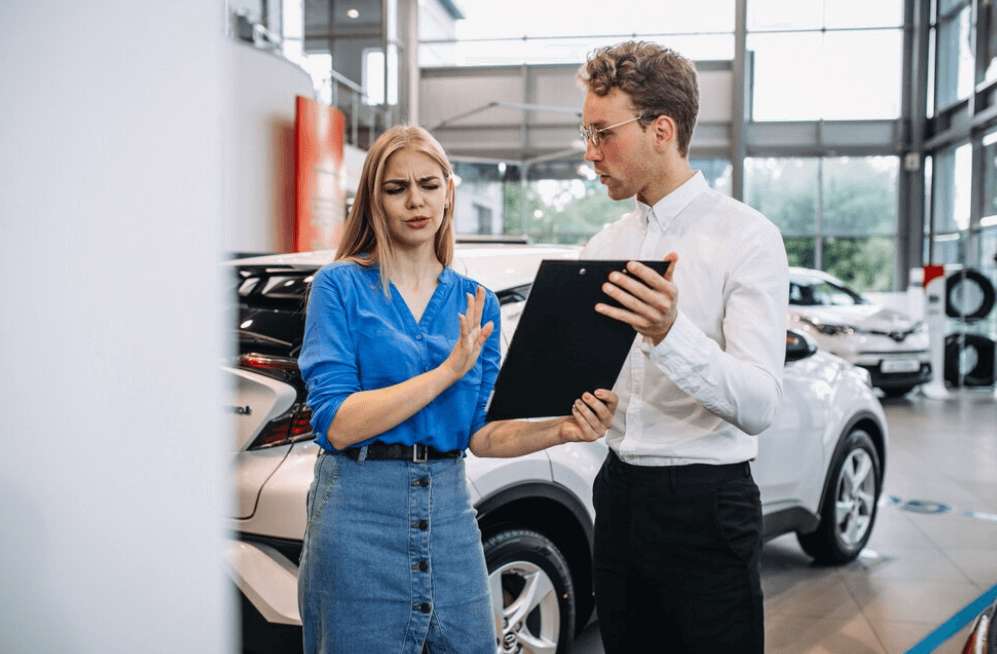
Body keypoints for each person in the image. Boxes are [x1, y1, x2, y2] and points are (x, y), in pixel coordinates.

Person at [295, 124, 618, 654]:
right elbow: (337, 420)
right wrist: (447, 371)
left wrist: (561, 429)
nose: (415, 201)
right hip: (357, 517)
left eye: (428, 184)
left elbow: (480, 434)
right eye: (396, 188)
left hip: (448, 513)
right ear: (374, 199)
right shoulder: (340, 286)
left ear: (449, 190)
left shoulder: (476, 300)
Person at [576, 41, 790, 653]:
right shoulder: (602, 245)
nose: (590, 153)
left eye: (602, 134)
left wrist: (671, 334)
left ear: (661, 129)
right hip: (616, 496)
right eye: (585, 133)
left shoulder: (747, 238)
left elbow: (759, 403)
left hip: (708, 507)